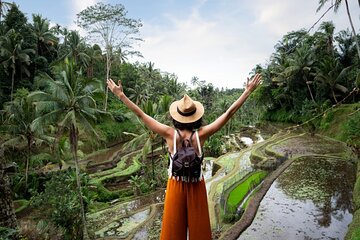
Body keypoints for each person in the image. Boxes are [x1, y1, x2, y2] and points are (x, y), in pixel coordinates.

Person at [107, 73, 262, 240]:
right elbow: (228, 113)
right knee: (199, 231)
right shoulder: (201, 135)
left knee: (172, 231)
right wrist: (247, 91)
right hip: (196, 185)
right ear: (196, 116)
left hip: (176, 185)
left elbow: (141, 115)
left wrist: (121, 95)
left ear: (176, 116)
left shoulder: (169, 134)